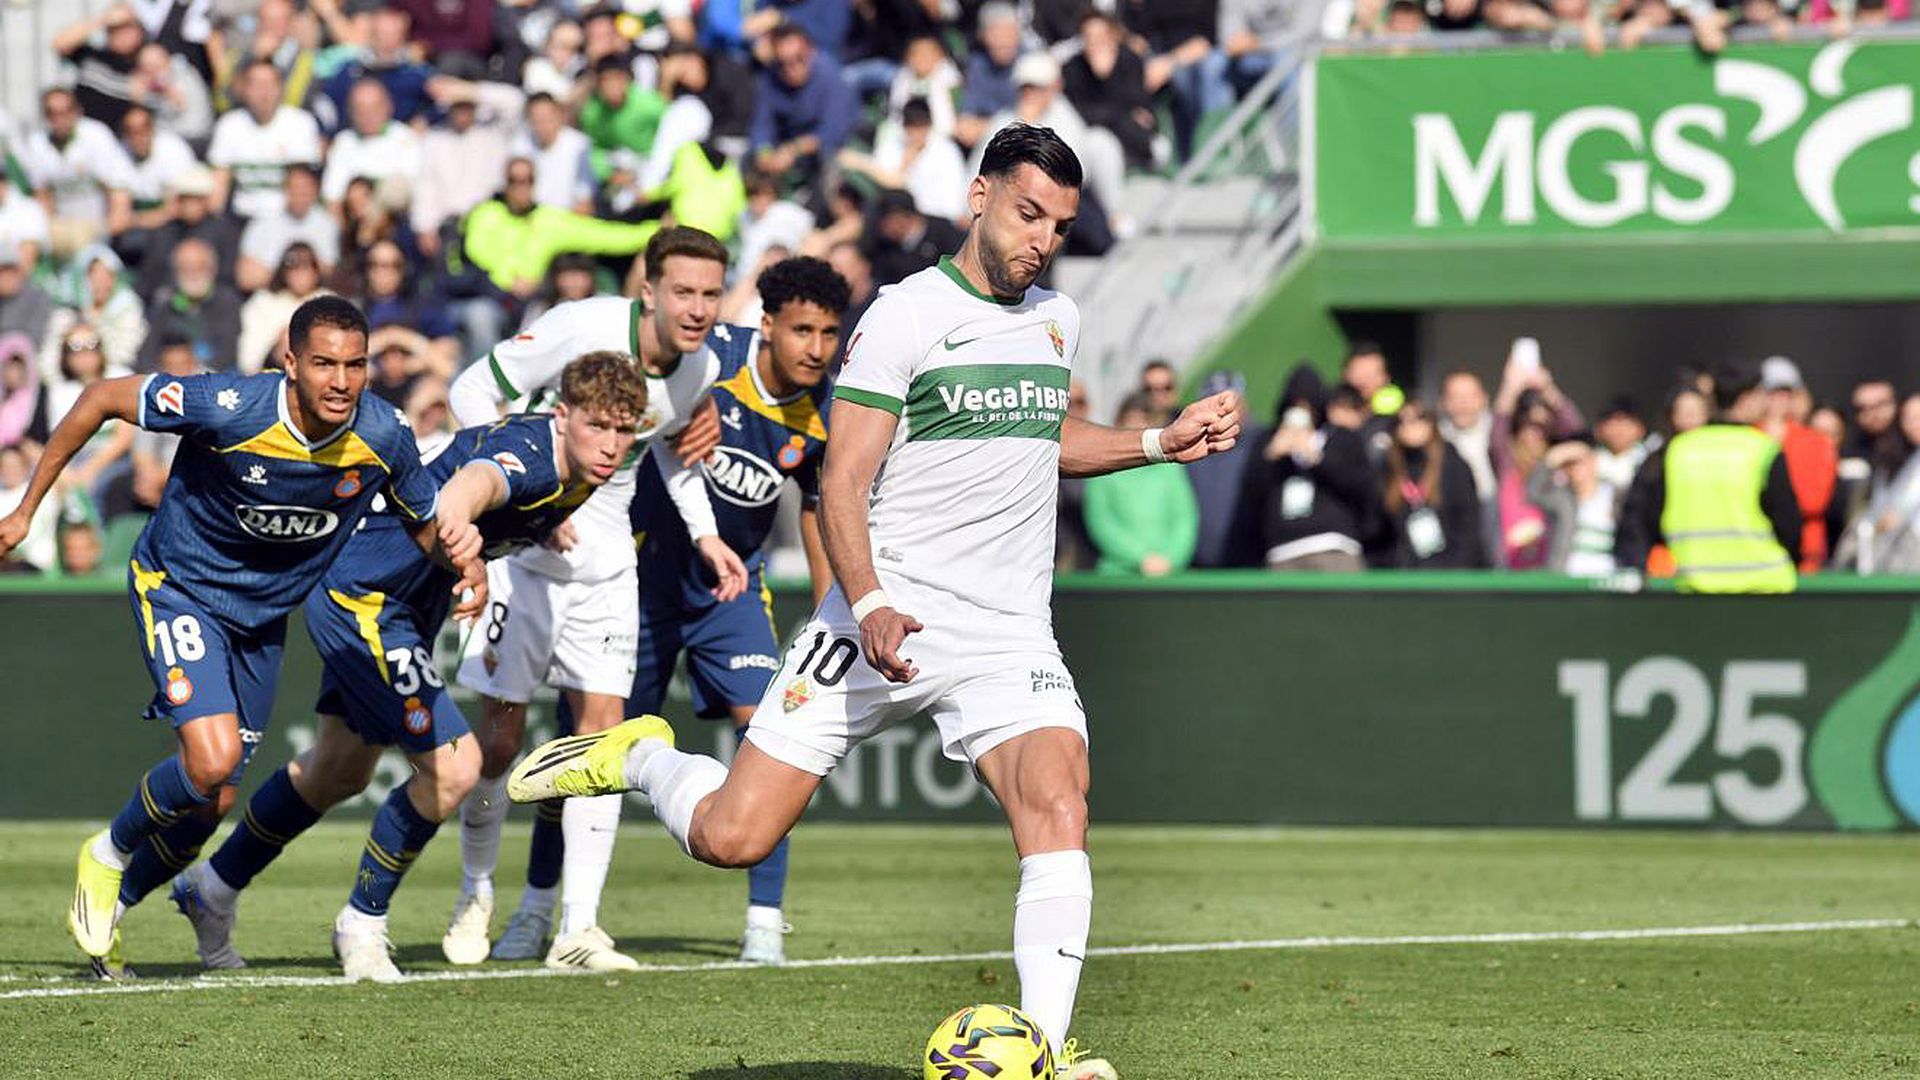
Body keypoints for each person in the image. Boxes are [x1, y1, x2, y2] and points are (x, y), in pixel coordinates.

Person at [506, 125, 1240, 1078]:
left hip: (1005, 631)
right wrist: (872, 599)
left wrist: (1156, 442)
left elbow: (1041, 435)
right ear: (978, 199)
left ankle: (1044, 1054)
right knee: (733, 836)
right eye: (1028, 215)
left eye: (1058, 225)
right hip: (879, 614)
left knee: (1058, 803)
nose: (1042, 241)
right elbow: (843, 482)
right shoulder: (904, 316)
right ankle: (641, 755)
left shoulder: (1056, 318)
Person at [0, 295, 477, 973]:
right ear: (290, 363)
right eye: (323, 364)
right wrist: (24, 512)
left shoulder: (383, 434)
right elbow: (103, 397)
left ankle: (118, 906)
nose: (341, 381)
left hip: (262, 618)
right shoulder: (230, 405)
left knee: (211, 799)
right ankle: (105, 854)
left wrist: (467, 566)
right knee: (212, 758)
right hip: (181, 590)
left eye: (355, 365)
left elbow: (425, 525)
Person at [168, 353, 649, 981]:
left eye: (624, 429)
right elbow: (462, 492)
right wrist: (471, 554)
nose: (611, 444)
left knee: (336, 770)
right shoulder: (531, 458)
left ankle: (212, 887)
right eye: (598, 426)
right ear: (561, 415)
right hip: (366, 596)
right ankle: (362, 925)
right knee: (456, 768)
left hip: (399, 603)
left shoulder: (583, 474)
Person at [494, 257, 846, 967]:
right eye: (802, 329)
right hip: (642, 579)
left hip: (730, 591)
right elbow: (630, 395)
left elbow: (817, 510)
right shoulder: (708, 362)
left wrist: (831, 611)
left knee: (772, 739)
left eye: (830, 333)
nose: (816, 347)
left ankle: (764, 924)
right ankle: (536, 910)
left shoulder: (825, 411)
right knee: (588, 750)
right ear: (767, 325)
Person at [443, 228, 741, 972]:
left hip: (609, 571)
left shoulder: (699, 366)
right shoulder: (580, 326)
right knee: (501, 741)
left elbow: (672, 450)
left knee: (602, 744)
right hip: (525, 561)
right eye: (684, 291)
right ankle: (475, 891)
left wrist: (706, 534)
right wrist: (532, 493)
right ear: (649, 290)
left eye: (711, 293)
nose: (698, 308)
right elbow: (470, 389)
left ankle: (577, 929)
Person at [1616, 361, 1801, 593]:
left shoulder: (1677, 450)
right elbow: (1789, 526)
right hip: (1762, 586)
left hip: (1692, 586)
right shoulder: (1764, 450)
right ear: (1747, 399)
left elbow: (1645, 519)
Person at [1244, 365, 1375, 571]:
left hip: (1333, 545)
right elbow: (1250, 494)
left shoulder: (1341, 438)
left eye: (1308, 406)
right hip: (1283, 550)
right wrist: (1271, 457)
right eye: (1294, 406)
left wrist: (1316, 458)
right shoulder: (1267, 442)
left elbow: (1360, 485)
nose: (1301, 412)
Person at [1084, 392, 1201, 575]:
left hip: (1168, 573)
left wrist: (1171, 558)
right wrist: (1141, 558)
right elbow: (1102, 522)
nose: (1135, 428)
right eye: (1129, 421)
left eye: (1142, 421)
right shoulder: (1103, 469)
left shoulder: (1169, 468)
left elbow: (1184, 518)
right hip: (1118, 574)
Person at [206, 60, 323, 222]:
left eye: (270, 85)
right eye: (257, 85)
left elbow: (303, 184)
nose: (264, 92)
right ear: (244, 90)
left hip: (287, 219)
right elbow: (219, 184)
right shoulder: (229, 125)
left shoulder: (301, 123)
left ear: (281, 88)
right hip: (242, 218)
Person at [1380, 400, 1485, 568]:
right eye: (1402, 420)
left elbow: (1469, 525)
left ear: (1432, 423)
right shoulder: (1390, 471)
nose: (1410, 424)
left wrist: (1457, 569)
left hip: (1451, 573)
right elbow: (1380, 532)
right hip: (1407, 575)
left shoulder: (1453, 465)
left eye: (1419, 417)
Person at [1756, 356, 1836, 572]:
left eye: (1786, 392)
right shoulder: (1746, 438)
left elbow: (1815, 501)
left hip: (1805, 556)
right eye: (1771, 392)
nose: (1779, 399)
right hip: (1754, 551)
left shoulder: (1817, 442)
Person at [1529, 435, 1617, 578]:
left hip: (1607, 579)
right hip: (1565, 580)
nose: (1573, 469)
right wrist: (1553, 457)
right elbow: (1532, 493)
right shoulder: (1561, 499)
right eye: (1567, 464)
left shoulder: (1616, 495)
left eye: (1578, 462)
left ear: (1593, 461)